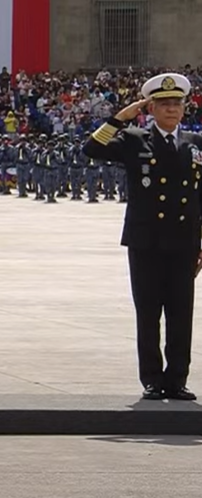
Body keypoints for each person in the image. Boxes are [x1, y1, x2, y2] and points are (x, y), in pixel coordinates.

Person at [83, 72, 202, 401]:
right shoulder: (134, 139)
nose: (171, 110)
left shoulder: (195, 144)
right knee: (148, 312)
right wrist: (120, 118)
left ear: (184, 107)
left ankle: (177, 379)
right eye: (164, 104)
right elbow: (91, 149)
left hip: (183, 241)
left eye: (176, 103)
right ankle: (152, 379)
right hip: (145, 240)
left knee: (181, 314)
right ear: (150, 108)